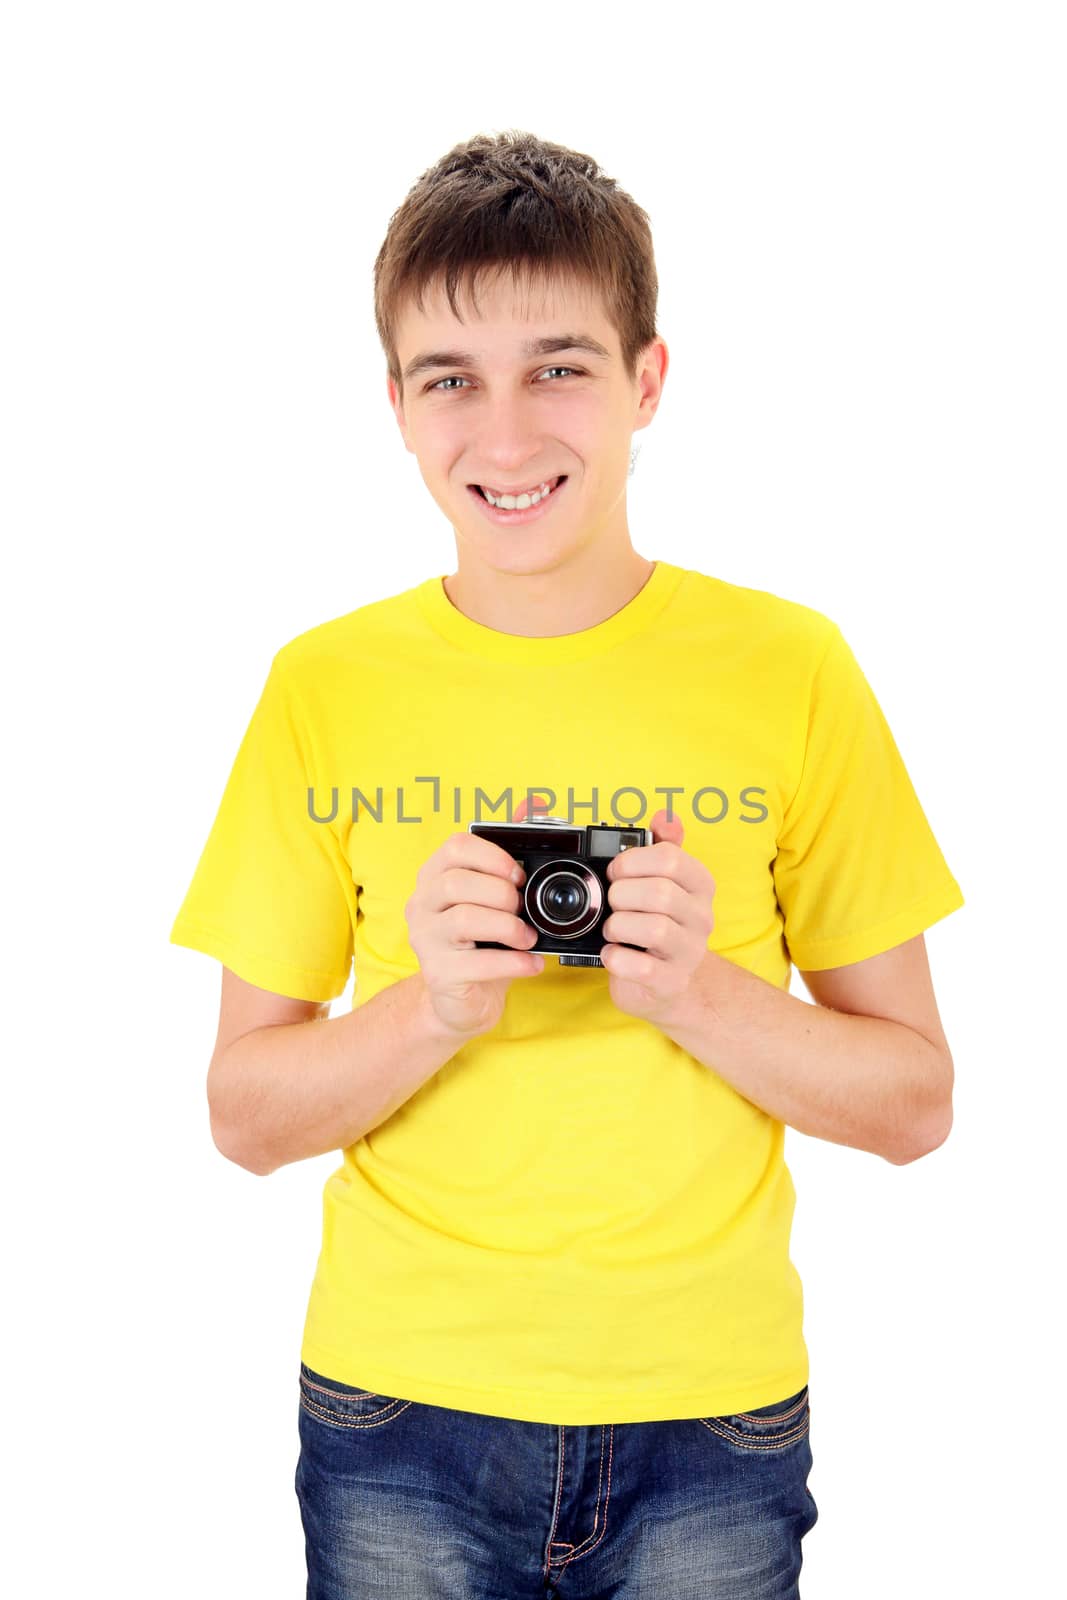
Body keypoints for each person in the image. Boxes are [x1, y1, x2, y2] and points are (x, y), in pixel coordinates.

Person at [170, 129, 964, 1598]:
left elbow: (917, 1104)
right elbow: (243, 1116)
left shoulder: (792, 668)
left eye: (559, 367)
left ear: (647, 380)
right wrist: (434, 1006)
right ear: (397, 410)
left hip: (710, 1413)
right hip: (396, 1406)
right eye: (450, 380)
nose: (508, 434)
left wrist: (702, 994)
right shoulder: (321, 685)